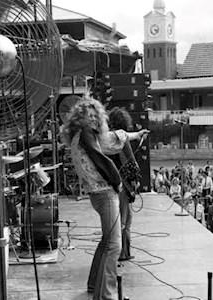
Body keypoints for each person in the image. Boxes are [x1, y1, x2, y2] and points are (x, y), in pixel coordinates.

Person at [62, 96, 149, 300]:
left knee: (106, 241)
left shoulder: (83, 135)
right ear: (85, 117)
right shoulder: (86, 135)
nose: (95, 119)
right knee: (114, 245)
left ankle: (94, 284)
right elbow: (100, 157)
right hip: (105, 193)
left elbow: (111, 138)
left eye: (95, 116)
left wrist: (135, 134)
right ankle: (106, 295)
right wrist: (117, 180)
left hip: (97, 194)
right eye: (91, 116)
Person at [108, 107, 141, 262]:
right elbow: (131, 163)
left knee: (121, 219)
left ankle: (124, 252)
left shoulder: (108, 139)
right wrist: (135, 182)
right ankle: (123, 253)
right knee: (125, 221)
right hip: (123, 185)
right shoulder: (121, 138)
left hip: (112, 185)